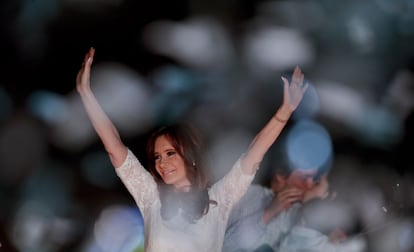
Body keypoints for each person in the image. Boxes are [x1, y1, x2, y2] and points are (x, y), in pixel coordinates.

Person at [75, 47, 308, 252]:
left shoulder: (220, 201)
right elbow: (115, 149)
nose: (161, 163)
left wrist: (285, 112)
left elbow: (254, 154)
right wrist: (86, 94)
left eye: (169, 154)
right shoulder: (151, 198)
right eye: (157, 156)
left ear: (189, 156)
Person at [223, 165, 331, 252]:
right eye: (304, 178)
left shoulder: (302, 220)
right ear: (281, 175)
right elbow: (222, 247)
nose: (309, 184)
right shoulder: (251, 196)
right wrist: (268, 214)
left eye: (315, 181)